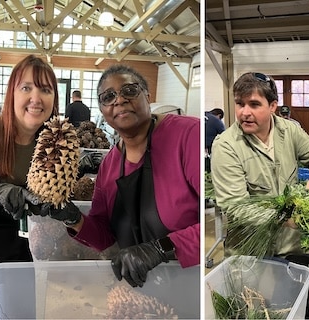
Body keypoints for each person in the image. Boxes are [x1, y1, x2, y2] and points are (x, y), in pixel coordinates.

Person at [37, 65, 200, 288]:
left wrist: (161, 248)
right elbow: (105, 235)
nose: (119, 100)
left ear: (148, 96)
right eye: (108, 96)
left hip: (191, 284)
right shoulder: (109, 166)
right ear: (102, 110)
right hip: (138, 290)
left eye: (130, 91)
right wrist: (73, 218)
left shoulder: (188, 136)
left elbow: (215, 223)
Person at [0, 56, 79, 309]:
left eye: (45, 90)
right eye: (26, 88)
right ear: (11, 93)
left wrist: (65, 213)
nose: (36, 98)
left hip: (25, 258)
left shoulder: (54, 148)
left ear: (54, 99)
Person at [211, 72, 309, 257]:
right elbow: (236, 206)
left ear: (273, 106)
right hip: (249, 252)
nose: (244, 112)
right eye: (240, 103)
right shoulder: (226, 146)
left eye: (254, 104)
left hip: (290, 247)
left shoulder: (290, 131)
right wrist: (285, 218)